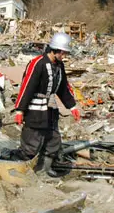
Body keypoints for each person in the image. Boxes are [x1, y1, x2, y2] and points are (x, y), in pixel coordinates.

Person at [13, 32, 82, 177]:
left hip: (51, 109)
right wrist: (20, 110)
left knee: (53, 141)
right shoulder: (37, 63)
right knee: (31, 143)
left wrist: (72, 106)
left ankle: (44, 171)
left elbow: (63, 87)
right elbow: (27, 87)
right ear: (55, 49)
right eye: (63, 52)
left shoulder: (59, 66)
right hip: (35, 110)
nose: (64, 55)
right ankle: (23, 173)